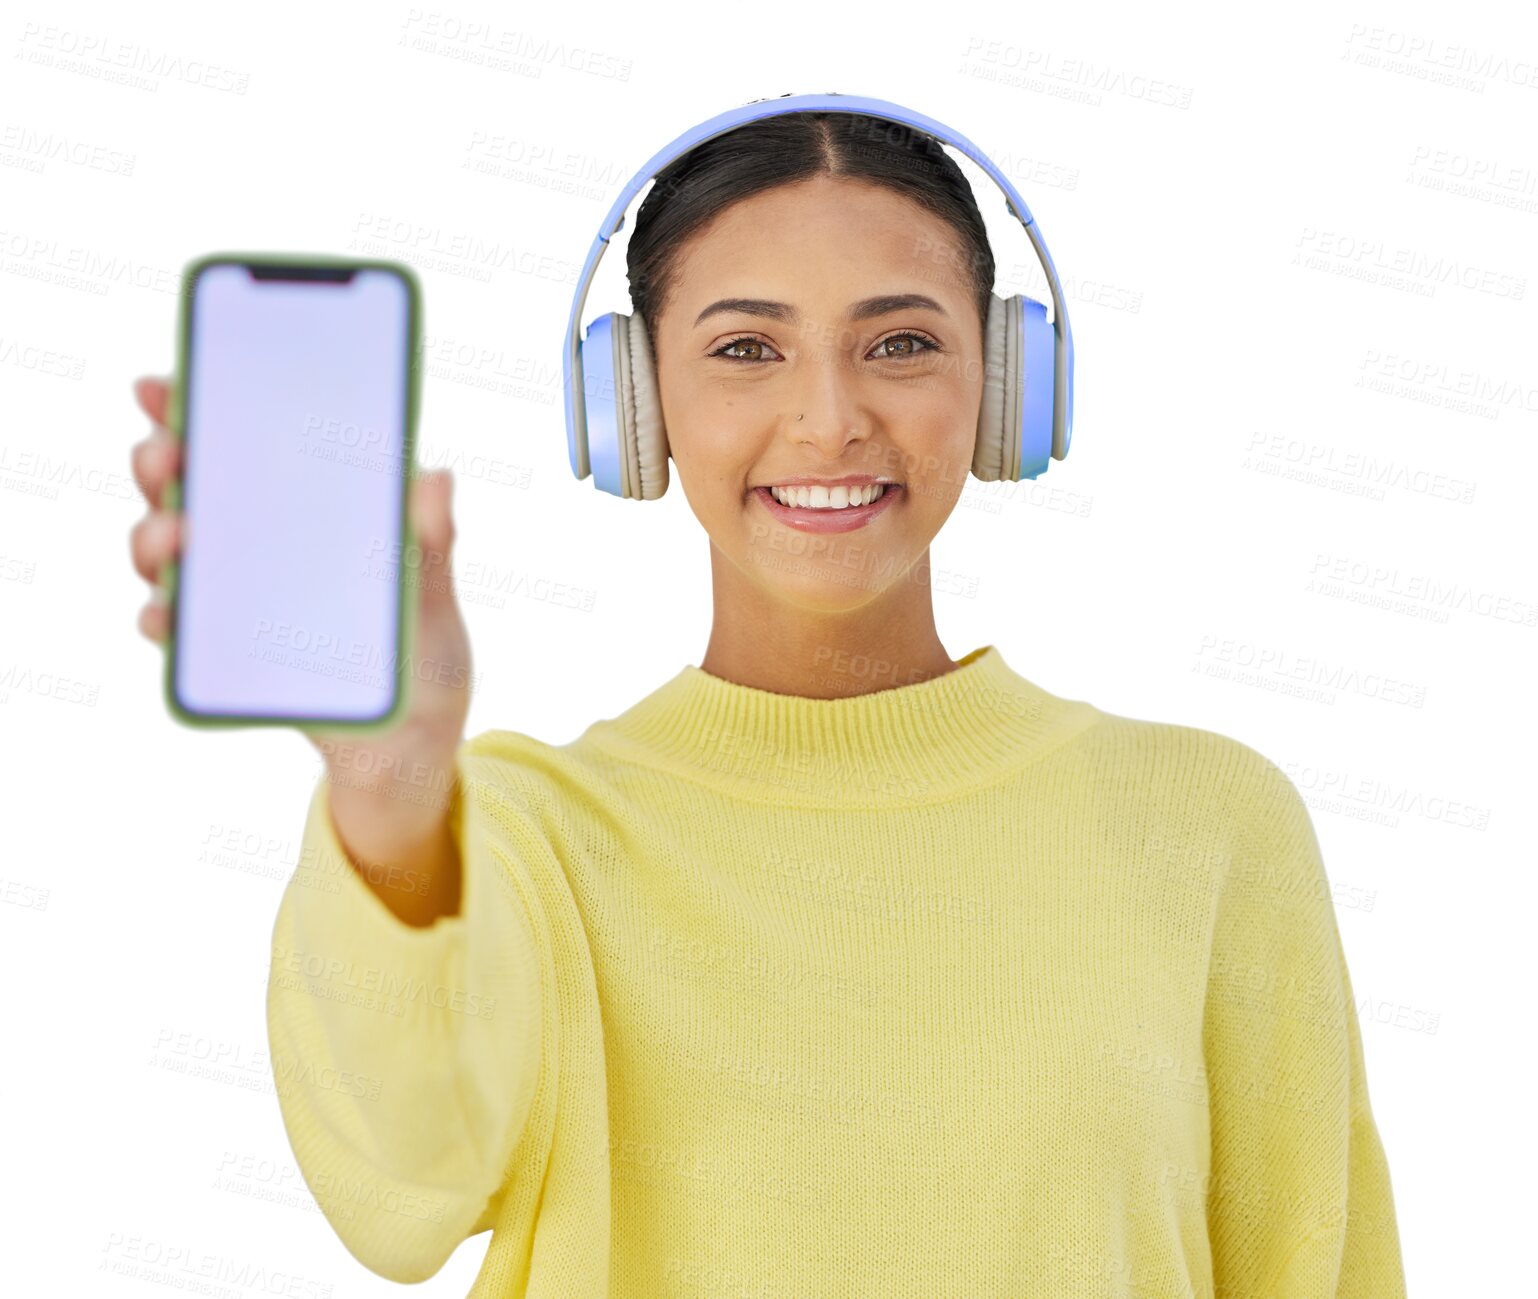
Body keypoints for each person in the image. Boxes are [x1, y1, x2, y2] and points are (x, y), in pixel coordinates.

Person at [127, 107, 1407, 1297]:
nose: (828, 418)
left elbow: (1317, 1264)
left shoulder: (1207, 821)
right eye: (746, 349)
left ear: (1006, 386)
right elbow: (398, 1202)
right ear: (633, 407)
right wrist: (390, 782)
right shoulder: (521, 839)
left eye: (899, 343)